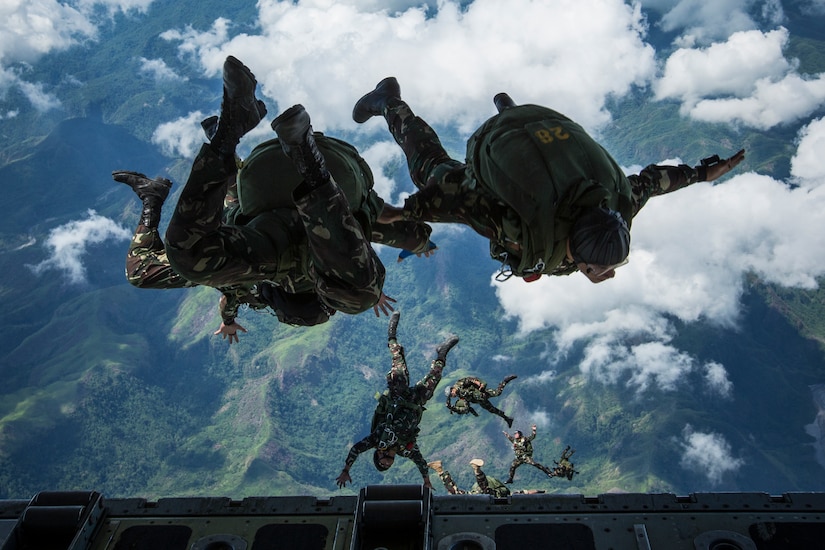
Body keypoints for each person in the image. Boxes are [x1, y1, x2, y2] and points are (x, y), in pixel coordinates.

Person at [121, 56, 435, 341]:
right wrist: (228, 318)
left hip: (329, 171)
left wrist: (417, 245)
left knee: (363, 294)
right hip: (269, 176)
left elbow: (408, 233)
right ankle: (226, 142)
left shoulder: (354, 242)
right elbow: (215, 286)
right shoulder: (254, 277)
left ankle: (241, 138)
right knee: (185, 257)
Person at [352, 77, 746, 284]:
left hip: (542, 130)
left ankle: (513, 112)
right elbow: (458, 199)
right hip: (501, 151)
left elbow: (653, 181)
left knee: (515, 170)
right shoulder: (520, 223)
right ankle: (389, 100)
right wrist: (400, 212)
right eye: (597, 268)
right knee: (429, 168)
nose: (603, 276)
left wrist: (702, 173)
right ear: (574, 248)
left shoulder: (616, 204)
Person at [336, 311, 459, 489]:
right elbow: (420, 461)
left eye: (383, 463)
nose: (388, 462)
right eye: (388, 465)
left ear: (379, 454)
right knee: (435, 376)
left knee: (398, 362)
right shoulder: (405, 449)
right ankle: (442, 352)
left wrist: (346, 469)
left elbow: (356, 448)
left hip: (398, 396)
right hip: (416, 401)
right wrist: (426, 480)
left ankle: (391, 335)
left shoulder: (377, 440)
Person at [445, 375, 518, 427]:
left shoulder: (459, 384)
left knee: (497, 393)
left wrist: (477, 382)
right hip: (480, 401)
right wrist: (453, 408)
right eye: (451, 396)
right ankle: (507, 419)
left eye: (451, 394)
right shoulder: (459, 395)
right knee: (493, 410)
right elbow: (466, 408)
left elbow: (469, 379)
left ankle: (505, 381)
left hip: (481, 393)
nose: (452, 396)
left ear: (452, 390)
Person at [428, 458, 510, 496]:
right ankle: (440, 471)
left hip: (491, 494)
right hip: (481, 495)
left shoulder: (497, 491)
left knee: (485, 491)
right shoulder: (478, 492)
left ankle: (477, 471)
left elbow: (486, 489)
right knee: (455, 493)